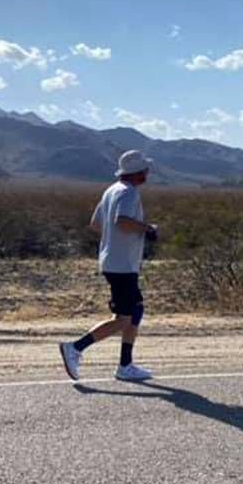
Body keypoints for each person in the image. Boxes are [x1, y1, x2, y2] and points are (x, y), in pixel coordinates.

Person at [59, 150, 159, 382]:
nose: (147, 173)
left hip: (115, 261)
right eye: (145, 169)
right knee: (123, 318)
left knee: (135, 311)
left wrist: (116, 239)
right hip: (122, 265)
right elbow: (122, 221)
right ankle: (75, 348)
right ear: (137, 173)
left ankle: (125, 365)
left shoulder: (111, 191)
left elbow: (96, 224)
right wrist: (148, 229)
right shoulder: (129, 192)